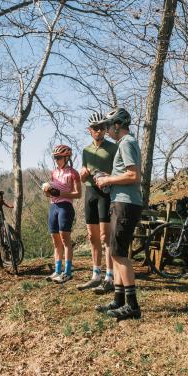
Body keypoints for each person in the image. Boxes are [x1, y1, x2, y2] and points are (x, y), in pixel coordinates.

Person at [94, 107, 143, 320]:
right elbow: (125, 173)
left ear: (117, 125)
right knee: (115, 251)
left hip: (126, 204)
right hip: (120, 202)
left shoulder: (127, 142)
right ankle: (119, 300)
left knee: (119, 254)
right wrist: (109, 176)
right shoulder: (124, 144)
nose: (105, 130)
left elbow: (134, 175)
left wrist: (107, 180)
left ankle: (132, 306)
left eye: (108, 126)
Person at [76, 112, 118, 293]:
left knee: (105, 237)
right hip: (90, 192)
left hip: (106, 194)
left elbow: (119, 173)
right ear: (89, 130)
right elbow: (84, 171)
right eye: (95, 128)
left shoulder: (113, 148)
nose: (99, 131)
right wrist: (82, 173)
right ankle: (96, 275)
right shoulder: (86, 150)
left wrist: (110, 177)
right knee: (92, 237)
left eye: (102, 127)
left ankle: (110, 277)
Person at [44, 144, 82, 284]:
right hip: (53, 206)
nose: (56, 160)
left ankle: (67, 272)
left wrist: (61, 193)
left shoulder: (73, 173)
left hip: (65, 206)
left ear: (66, 157)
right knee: (55, 240)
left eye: (59, 157)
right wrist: (48, 191)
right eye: (55, 157)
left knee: (65, 239)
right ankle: (57, 270)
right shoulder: (53, 172)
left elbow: (78, 194)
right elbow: (50, 194)